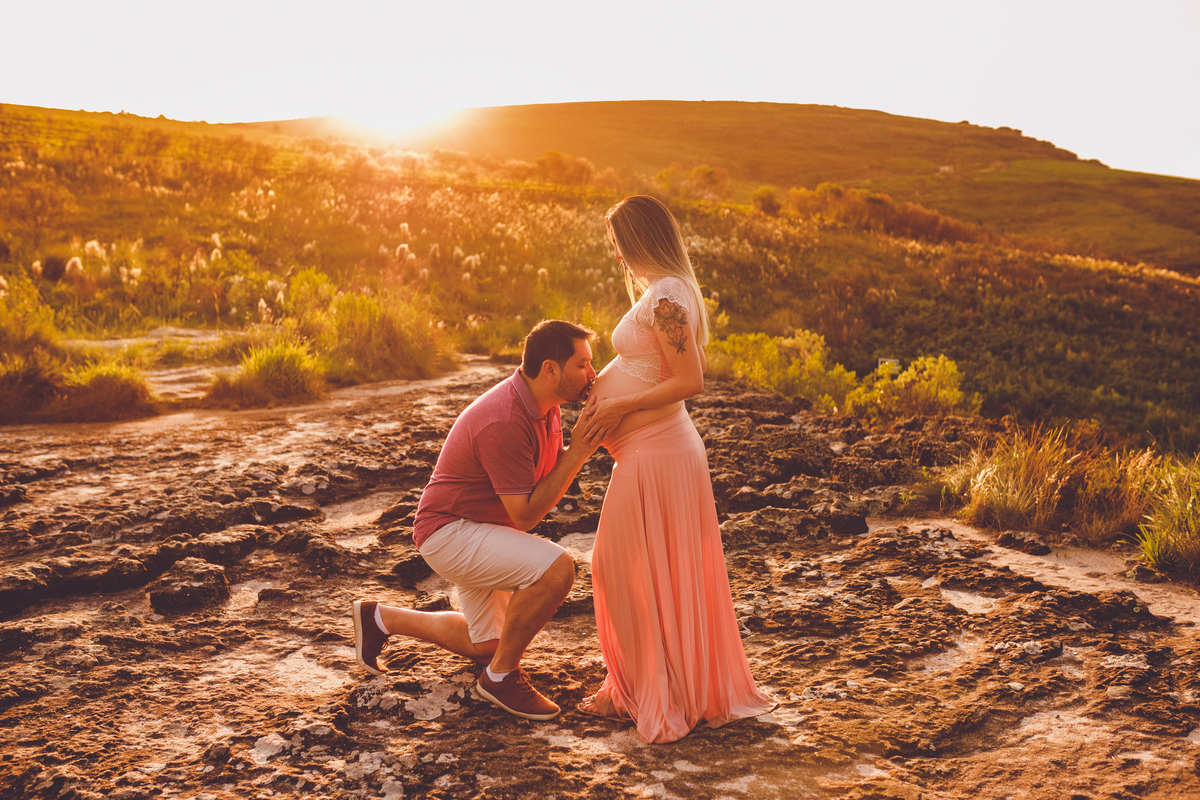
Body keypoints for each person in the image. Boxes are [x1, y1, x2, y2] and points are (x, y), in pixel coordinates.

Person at [578, 195, 776, 743]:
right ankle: (644, 687)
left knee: (615, 566)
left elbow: (692, 381)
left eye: (619, 241)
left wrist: (618, 407)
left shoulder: (666, 293)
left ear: (639, 237)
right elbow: (688, 363)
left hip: (659, 452)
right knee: (650, 571)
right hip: (654, 452)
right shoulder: (667, 291)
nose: (616, 253)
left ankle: (650, 692)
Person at [352, 320, 602, 721]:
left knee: (486, 642)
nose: (593, 374)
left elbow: (545, 474)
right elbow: (525, 516)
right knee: (558, 570)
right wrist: (578, 454)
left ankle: (380, 618)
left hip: (480, 528)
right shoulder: (504, 419)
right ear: (550, 370)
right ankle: (500, 679)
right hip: (449, 532)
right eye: (584, 364)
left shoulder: (547, 404)